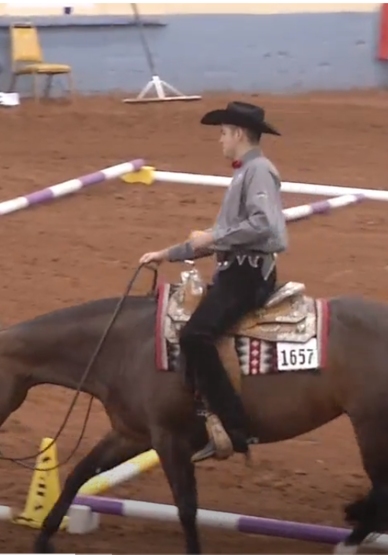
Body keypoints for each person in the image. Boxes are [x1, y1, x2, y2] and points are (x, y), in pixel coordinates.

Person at [139, 101, 287, 461]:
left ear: (238, 133)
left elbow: (264, 225)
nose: (220, 140)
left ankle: (234, 426)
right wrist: (171, 252)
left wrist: (212, 239)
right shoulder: (248, 172)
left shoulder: (258, 172)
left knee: (195, 335)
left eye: (222, 133)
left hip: (246, 275)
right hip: (239, 270)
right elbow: (228, 234)